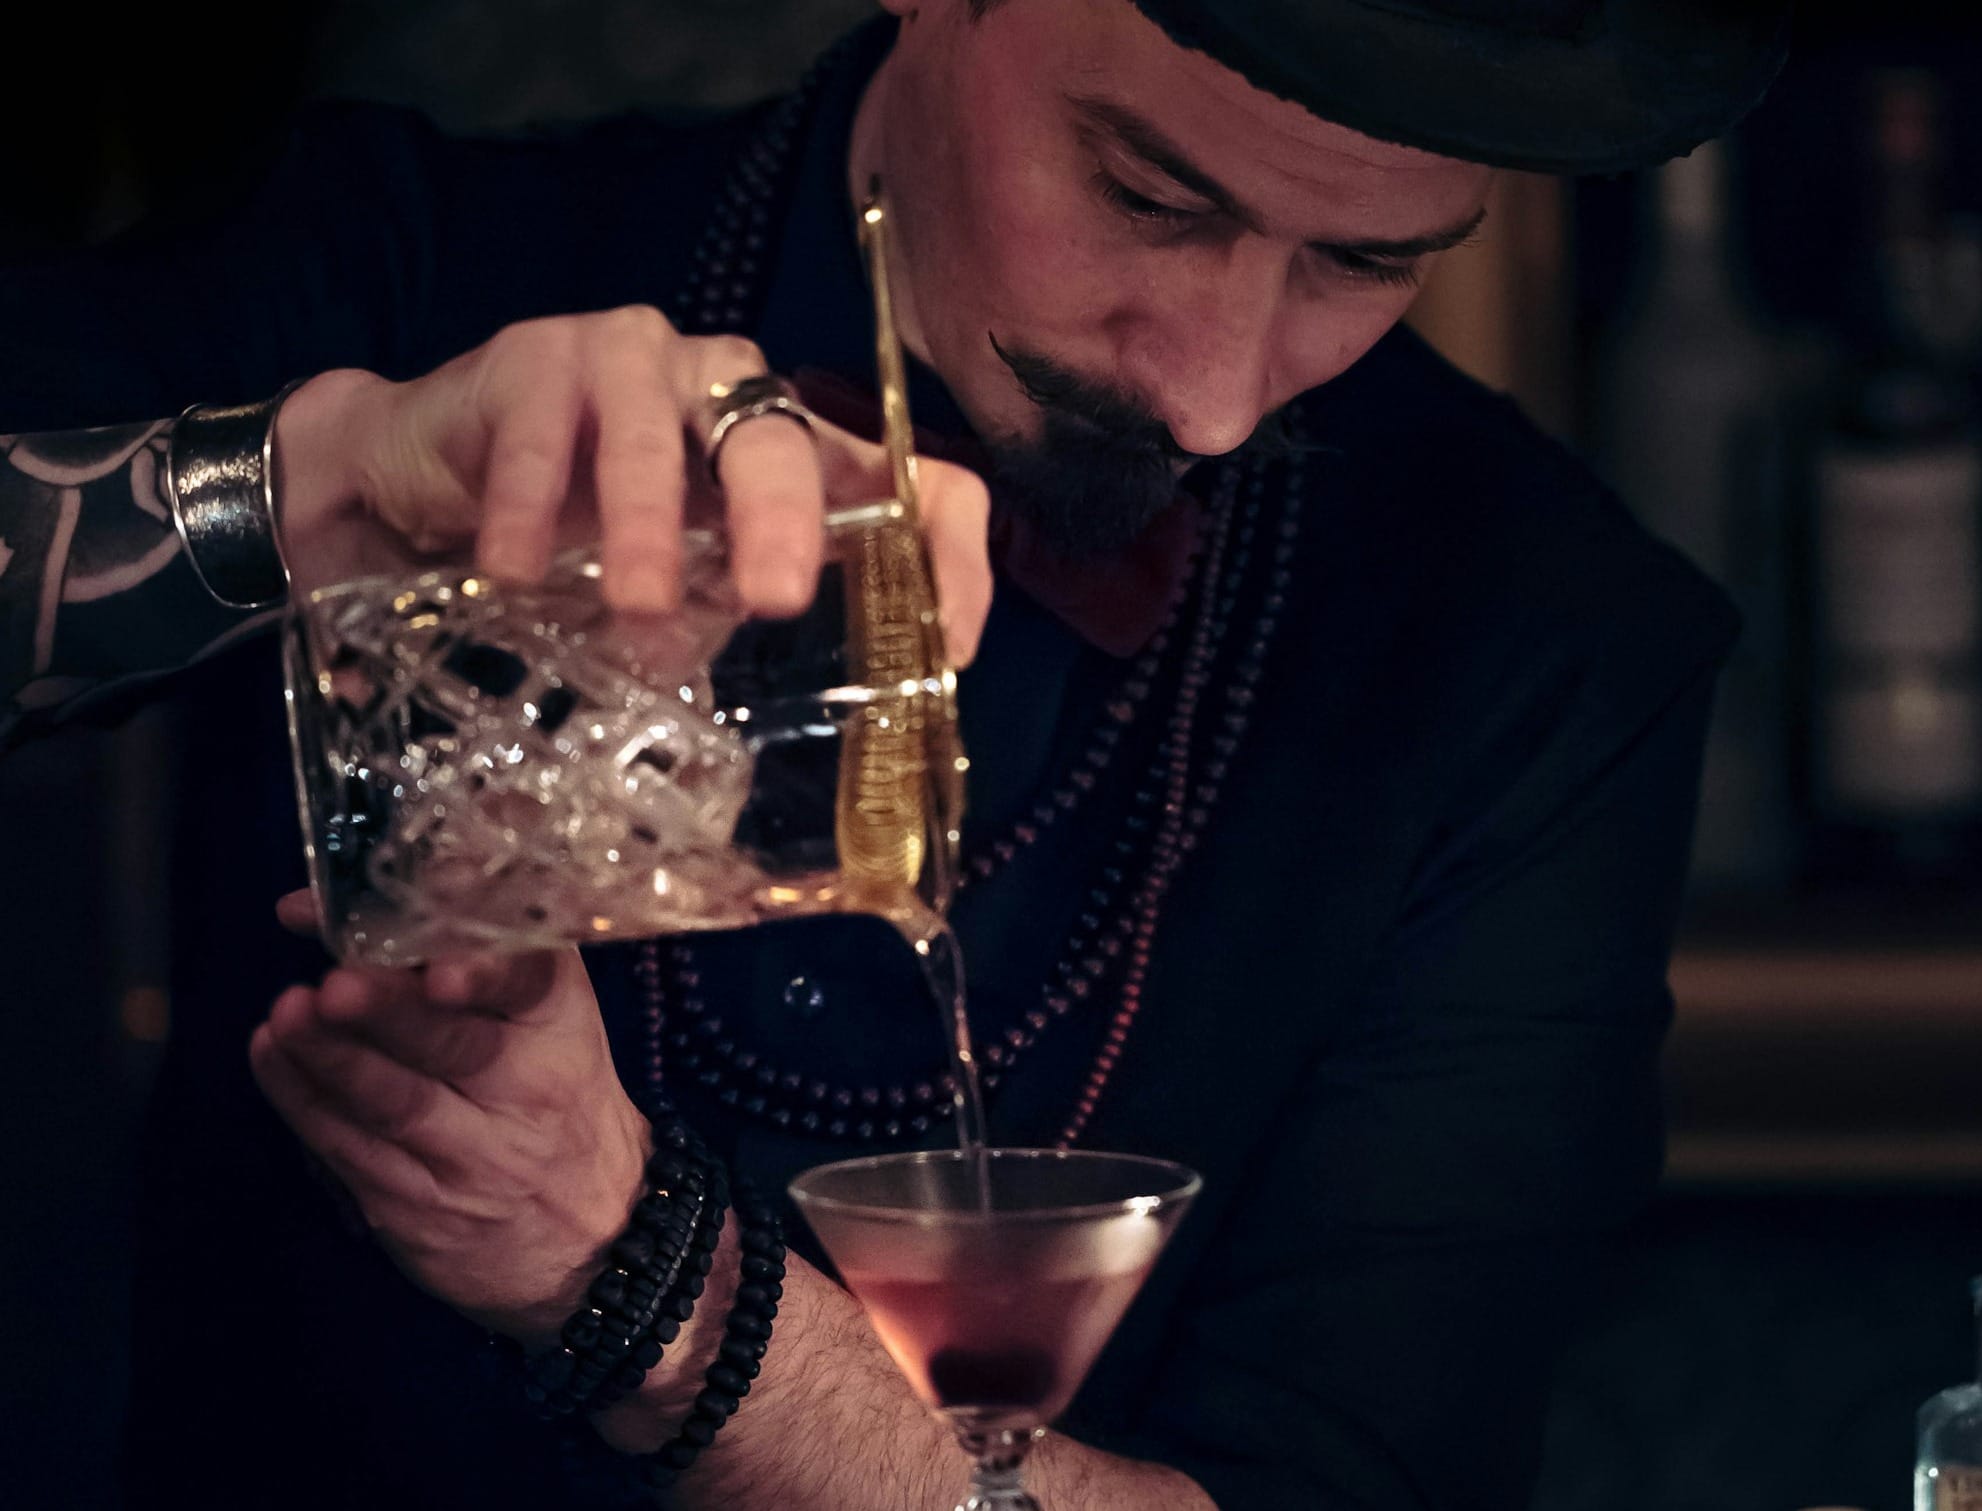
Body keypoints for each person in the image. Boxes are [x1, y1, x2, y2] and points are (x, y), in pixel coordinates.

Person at [0, 0, 1791, 1506]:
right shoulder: (402, 258)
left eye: (1366, 263)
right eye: (1147, 196)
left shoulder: (1544, 648)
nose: (1217, 393)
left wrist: (640, 1283)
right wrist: (311, 485)